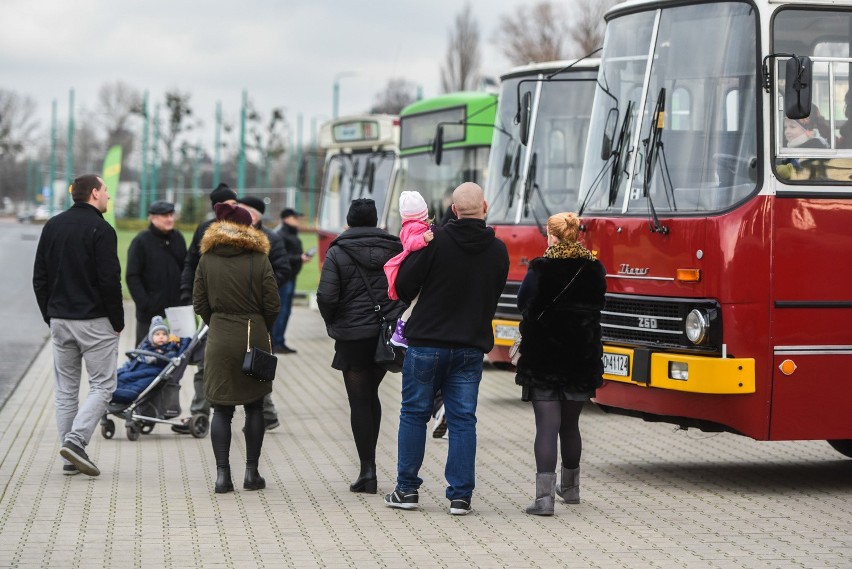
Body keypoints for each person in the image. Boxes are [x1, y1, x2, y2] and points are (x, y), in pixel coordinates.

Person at [384, 182, 509, 515]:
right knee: (463, 420)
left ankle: (406, 490)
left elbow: (406, 284)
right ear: (485, 207)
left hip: (426, 344)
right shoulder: (498, 250)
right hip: (470, 346)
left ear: (454, 210)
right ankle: (460, 496)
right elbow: (493, 292)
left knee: (413, 414)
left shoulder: (433, 241)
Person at [514, 212, 606, 516]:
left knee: (546, 427)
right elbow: (598, 304)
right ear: (576, 234)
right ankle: (571, 488)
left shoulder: (540, 269)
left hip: (544, 358)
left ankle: (543, 500)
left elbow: (522, 302)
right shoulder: (594, 269)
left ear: (552, 237)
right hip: (580, 356)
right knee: (570, 426)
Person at [33, 174, 124, 477]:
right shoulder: (102, 229)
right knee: (103, 385)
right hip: (95, 321)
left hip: (60, 320)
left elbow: (40, 277)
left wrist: (50, 315)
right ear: (94, 193)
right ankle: (75, 441)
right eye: (106, 191)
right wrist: (118, 320)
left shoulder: (53, 225)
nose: (109, 196)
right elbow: (109, 280)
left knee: (66, 391)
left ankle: (70, 458)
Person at [316, 198, 403, 494]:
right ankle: (370, 469)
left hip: (352, 336)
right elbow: (406, 286)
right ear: (376, 219)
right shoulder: (396, 247)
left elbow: (326, 296)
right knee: (372, 394)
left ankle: (368, 470)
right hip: (385, 333)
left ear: (349, 220)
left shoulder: (338, 251)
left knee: (359, 399)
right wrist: (394, 314)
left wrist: (333, 323)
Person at [193, 201, 280, 493]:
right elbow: (273, 303)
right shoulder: (259, 259)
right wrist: (261, 325)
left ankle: (222, 476)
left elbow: (199, 303)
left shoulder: (207, 258)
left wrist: (216, 321)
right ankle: (252, 473)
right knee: (255, 405)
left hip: (218, 336)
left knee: (221, 409)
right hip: (253, 336)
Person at [173, 183, 238, 434]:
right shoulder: (204, 230)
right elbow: (192, 263)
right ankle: (200, 413)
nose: (234, 208)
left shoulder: (245, 229)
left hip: (241, 312)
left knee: (249, 364)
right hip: (211, 310)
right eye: (230, 204)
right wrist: (187, 295)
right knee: (206, 363)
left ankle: (263, 411)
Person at [237, 196, 292, 430]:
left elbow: (283, 269)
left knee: (258, 362)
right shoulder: (231, 235)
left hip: (260, 311)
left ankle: (266, 412)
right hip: (234, 311)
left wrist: (262, 289)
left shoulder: (272, 239)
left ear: (255, 215)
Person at [126, 200, 187, 346]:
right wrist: (145, 304)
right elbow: (132, 276)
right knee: (146, 354)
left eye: (171, 215)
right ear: (153, 218)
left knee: (179, 355)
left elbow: (186, 269)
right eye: (165, 216)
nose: (170, 219)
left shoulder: (178, 238)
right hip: (150, 313)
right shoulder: (141, 241)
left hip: (176, 311)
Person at [384, 190, 433, 348]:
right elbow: (410, 243)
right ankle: (400, 333)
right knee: (415, 302)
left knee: (416, 302)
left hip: (414, 268)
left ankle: (402, 331)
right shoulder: (412, 228)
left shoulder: (413, 225)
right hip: (413, 269)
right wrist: (423, 239)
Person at [112, 316, 190, 404]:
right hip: (137, 368)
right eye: (157, 334)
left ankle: (124, 393)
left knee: (132, 380)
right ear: (151, 337)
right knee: (120, 375)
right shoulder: (146, 347)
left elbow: (169, 358)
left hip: (152, 372)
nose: (161, 337)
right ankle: (110, 390)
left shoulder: (169, 349)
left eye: (164, 334)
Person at [272, 208, 312, 354]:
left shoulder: (290, 233)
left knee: (286, 311)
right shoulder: (281, 235)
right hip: (284, 279)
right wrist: (299, 258)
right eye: (295, 217)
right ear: (286, 219)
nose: (298, 220)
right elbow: (281, 257)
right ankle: (276, 342)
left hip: (291, 277)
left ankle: (279, 341)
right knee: (282, 311)